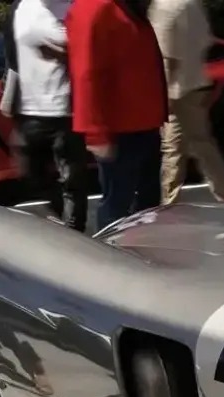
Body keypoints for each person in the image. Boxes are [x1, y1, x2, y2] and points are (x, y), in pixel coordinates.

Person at [66, 0, 167, 230]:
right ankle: (109, 251)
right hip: (120, 129)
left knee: (148, 208)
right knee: (117, 210)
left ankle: (144, 249)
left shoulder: (123, 6)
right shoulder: (94, 8)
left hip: (143, 124)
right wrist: (96, 134)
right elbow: (86, 74)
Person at [150, 0, 224, 205]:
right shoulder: (193, 4)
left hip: (175, 89)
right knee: (197, 145)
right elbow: (205, 41)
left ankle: (169, 203)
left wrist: (163, 95)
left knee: (178, 148)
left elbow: (167, 56)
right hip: (196, 83)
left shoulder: (164, 6)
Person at [11, 0, 91, 231]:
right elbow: (13, 53)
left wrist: (61, 53)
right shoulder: (23, 7)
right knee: (32, 174)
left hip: (63, 109)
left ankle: (75, 232)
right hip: (30, 109)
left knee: (72, 180)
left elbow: (86, 48)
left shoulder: (71, 7)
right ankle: (63, 216)